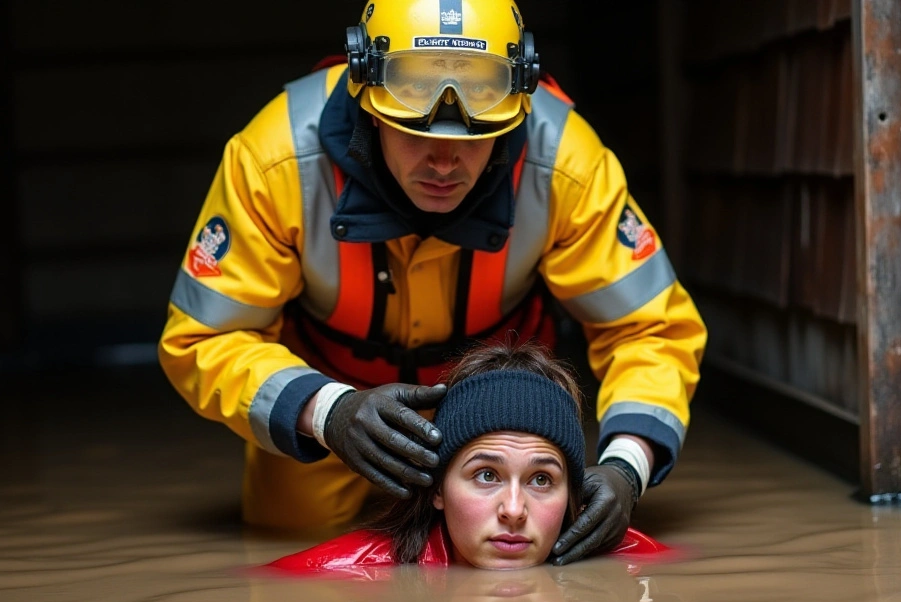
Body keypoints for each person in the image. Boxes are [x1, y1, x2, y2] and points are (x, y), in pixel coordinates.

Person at [158, 0, 707, 564]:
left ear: (518, 103)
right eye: (413, 130)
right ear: (366, 100)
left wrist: (626, 469)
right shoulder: (275, 160)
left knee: (533, 575)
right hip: (326, 407)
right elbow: (203, 337)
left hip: (502, 416)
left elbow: (650, 331)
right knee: (291, 555)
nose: (444, 162)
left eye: (474, 135)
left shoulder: (566, 162)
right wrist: (328, 413)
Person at [263, 344, 675, 573]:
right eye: (485, 475)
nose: (514, 510)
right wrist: (324, 410)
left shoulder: (638, 560)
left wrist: (627, 468)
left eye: (542, 480)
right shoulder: (337, 570)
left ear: (575, 496)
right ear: (438, 488)